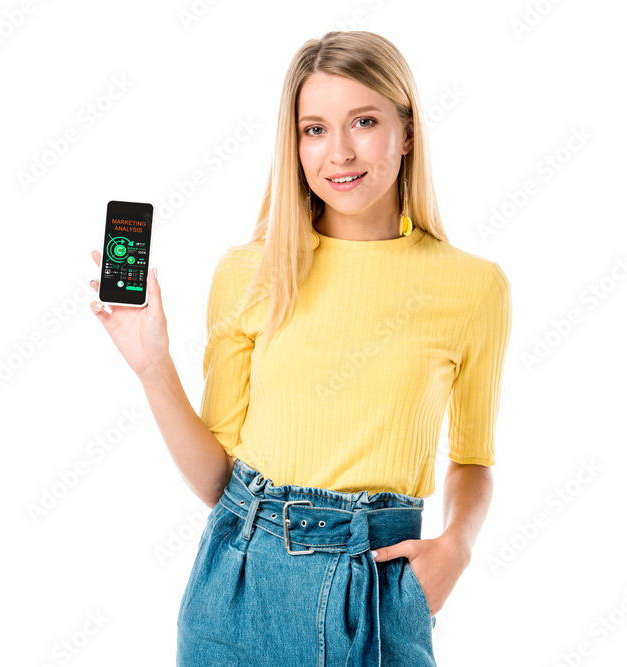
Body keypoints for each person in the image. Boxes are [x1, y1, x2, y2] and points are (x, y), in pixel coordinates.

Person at [89, 30, 511, 667]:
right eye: (314, 128)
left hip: (374, 594)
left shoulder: (473, 288)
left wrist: (458, 545)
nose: (338, 151)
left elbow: (474, 458)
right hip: (236, 586)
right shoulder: (248, 274)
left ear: (408, 131)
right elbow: (216, 481)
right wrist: (152, 363)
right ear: (294, 144)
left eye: (363, 121)